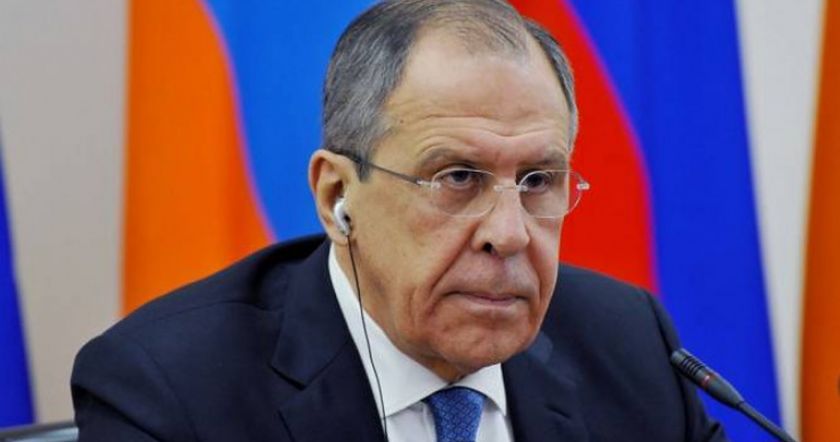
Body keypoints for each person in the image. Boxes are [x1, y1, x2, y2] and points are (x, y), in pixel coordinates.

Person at [71, 1, 728, 441]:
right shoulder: (170, 390)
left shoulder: (631, 349)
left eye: (537, 181)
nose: (509, 233)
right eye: (458, 178)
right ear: (337, 197)